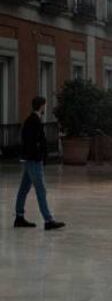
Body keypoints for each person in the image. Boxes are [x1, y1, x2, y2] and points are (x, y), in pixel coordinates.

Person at [14, 96, 65, 230]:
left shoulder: (32, 120)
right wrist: (38, 156)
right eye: (45, 105)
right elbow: (32, 142)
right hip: (34, 161)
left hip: (31, 160)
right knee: (41, 190)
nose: (45, 108)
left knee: (24, 189)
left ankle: (19, 217)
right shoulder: (33, 121)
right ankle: (48, 220)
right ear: (42, 106)